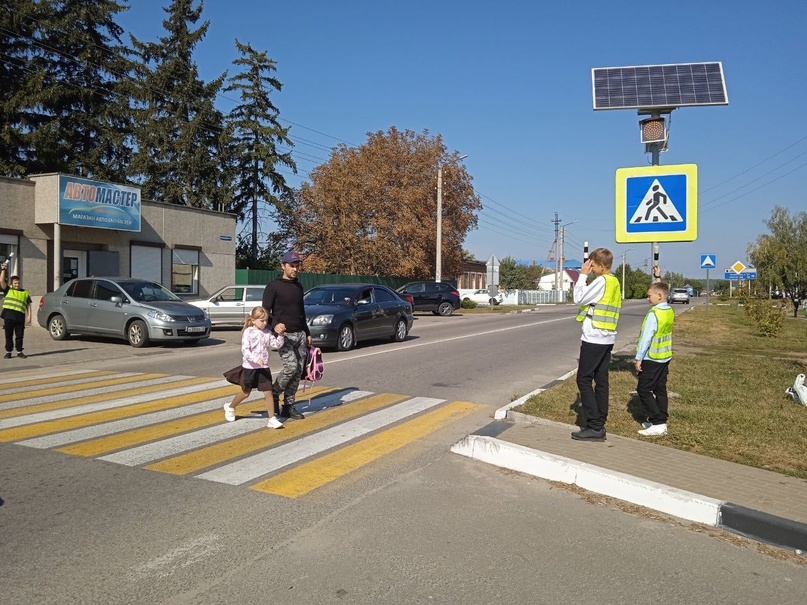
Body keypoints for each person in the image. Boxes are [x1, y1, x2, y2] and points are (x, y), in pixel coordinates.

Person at [571, 247, 622, 442]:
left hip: (594, 337)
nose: (589, 268)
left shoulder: (601, 281)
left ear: (601, 266)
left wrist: (582, 276)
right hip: (607, 337)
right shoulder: (614, 281)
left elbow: (579, 298)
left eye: (592, 265)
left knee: (583, 379)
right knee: (601, 380)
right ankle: (600, 419)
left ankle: (594, 426)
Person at [262, 250, 312, 420]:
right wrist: (274, 326)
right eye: (292, 265)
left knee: (298, 371)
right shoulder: (273, 287)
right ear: (283, 266)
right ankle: (274, 393)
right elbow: (265, 313)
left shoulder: (298, 286)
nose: (295, 269)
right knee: (290, 367)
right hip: (284, 336)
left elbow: (301, 312)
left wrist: (307, 332)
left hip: (299, 334)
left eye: (297, 266)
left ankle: (289, 405)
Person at [223, 306, 286, 428]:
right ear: (253, 320)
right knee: (246, 392)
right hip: (250, 368)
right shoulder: (248, 332)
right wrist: (256, 359)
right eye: (262, 321)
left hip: (263, 368)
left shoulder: (267, 332)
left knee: (268, 392)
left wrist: (281, 335)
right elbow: (245, 350)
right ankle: (230, 407)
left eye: (266, 321)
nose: (265, 323)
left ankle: (272, 418)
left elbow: (276, 344)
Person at [635, 268, 674, 437]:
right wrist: (658, 277)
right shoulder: (668, 310)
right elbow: (662, 289)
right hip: (665, 357)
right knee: (660, 390)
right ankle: (661, 420)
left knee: (643, 390)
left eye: (649, 295)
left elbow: (646, 338)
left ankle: (657, 422)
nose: (647, 297)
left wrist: (639, 358)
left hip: (652, 357)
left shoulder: (654, 313)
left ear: (658, 297)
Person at [1, 261, 32, 359]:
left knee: (19, 336)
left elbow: (28, 304)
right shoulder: (8, 290)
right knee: (8, 335)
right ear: (11, 283)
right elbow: (1, 281)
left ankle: (19, 351)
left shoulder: (25, 292)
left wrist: (29, 315)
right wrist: (3, 270)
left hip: (19, 317)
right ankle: (9, 352)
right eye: (15, 283)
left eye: (18, 283)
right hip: (8, 316)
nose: (17, 285)